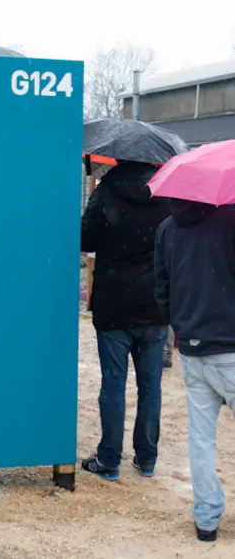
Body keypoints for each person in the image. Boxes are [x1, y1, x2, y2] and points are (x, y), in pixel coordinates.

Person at [80, 161, 169, 481]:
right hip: (155, 306)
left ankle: (109, 459)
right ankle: (146, 459)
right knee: (151, 387)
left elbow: (85, 240)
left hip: (114, 304)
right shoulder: (166, 191)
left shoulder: (106, 191)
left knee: (114, 384)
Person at [155, 200, 235, 543]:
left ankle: (206, 520)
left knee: (201, 440)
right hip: (230, 345)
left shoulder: (167, 228)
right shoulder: (229, 222)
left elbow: (161, 289)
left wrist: (180, 328)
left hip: (192, 345)